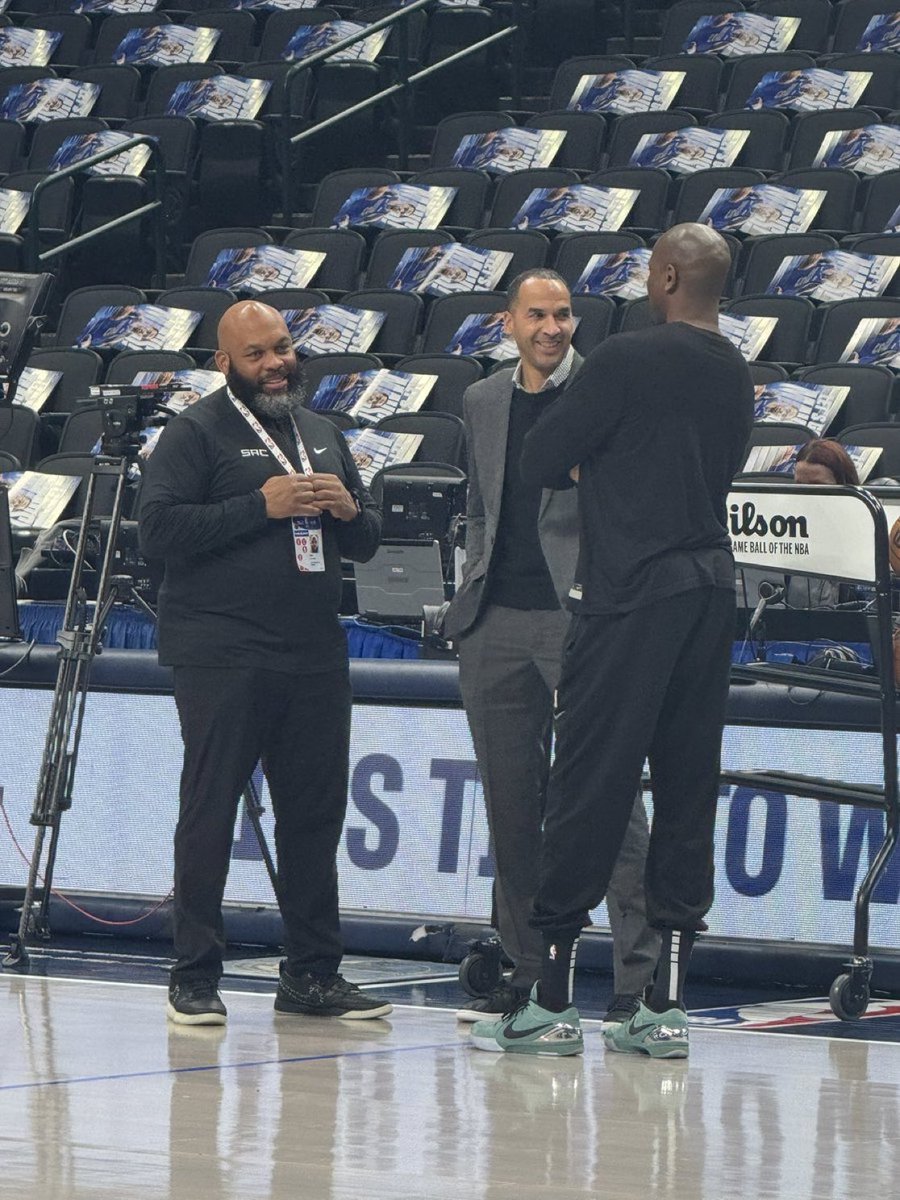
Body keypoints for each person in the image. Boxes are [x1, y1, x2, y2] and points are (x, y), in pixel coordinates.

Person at [469, 224, 754, 1059]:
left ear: (665, 277)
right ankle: (662, 1008)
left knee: (587, 787)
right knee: (688, 790)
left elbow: (542, 458)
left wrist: (599, 461)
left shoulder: (625, 358)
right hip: (710, 593)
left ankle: (551, 1000)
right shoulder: (735, 369)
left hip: (627, 596)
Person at [139, 299, 390, 1025]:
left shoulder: (322, 432)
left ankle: (312, 975)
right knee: (211, 811)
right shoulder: (195, 432)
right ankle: (193, 976)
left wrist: (351, 512)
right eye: (257, 354)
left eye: (282, 347)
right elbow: (157, 532)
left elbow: (367, 543)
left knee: (314, 816)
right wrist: (261, 504)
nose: (276, 363)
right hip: (222, 652)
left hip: (314, 653)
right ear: (225, 363)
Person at [444, 269, 659, 1024]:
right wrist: (473, 581)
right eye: (537, 315)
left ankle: (640, 980)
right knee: (510, 807)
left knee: (611, 799)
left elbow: (631, 503)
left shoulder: (607, 391)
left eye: (563, 314)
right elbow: (480, 506)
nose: (552, 328)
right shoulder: (481, 400)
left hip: (581, 619)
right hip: (493, 622)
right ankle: (531, 970)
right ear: (508, 323)